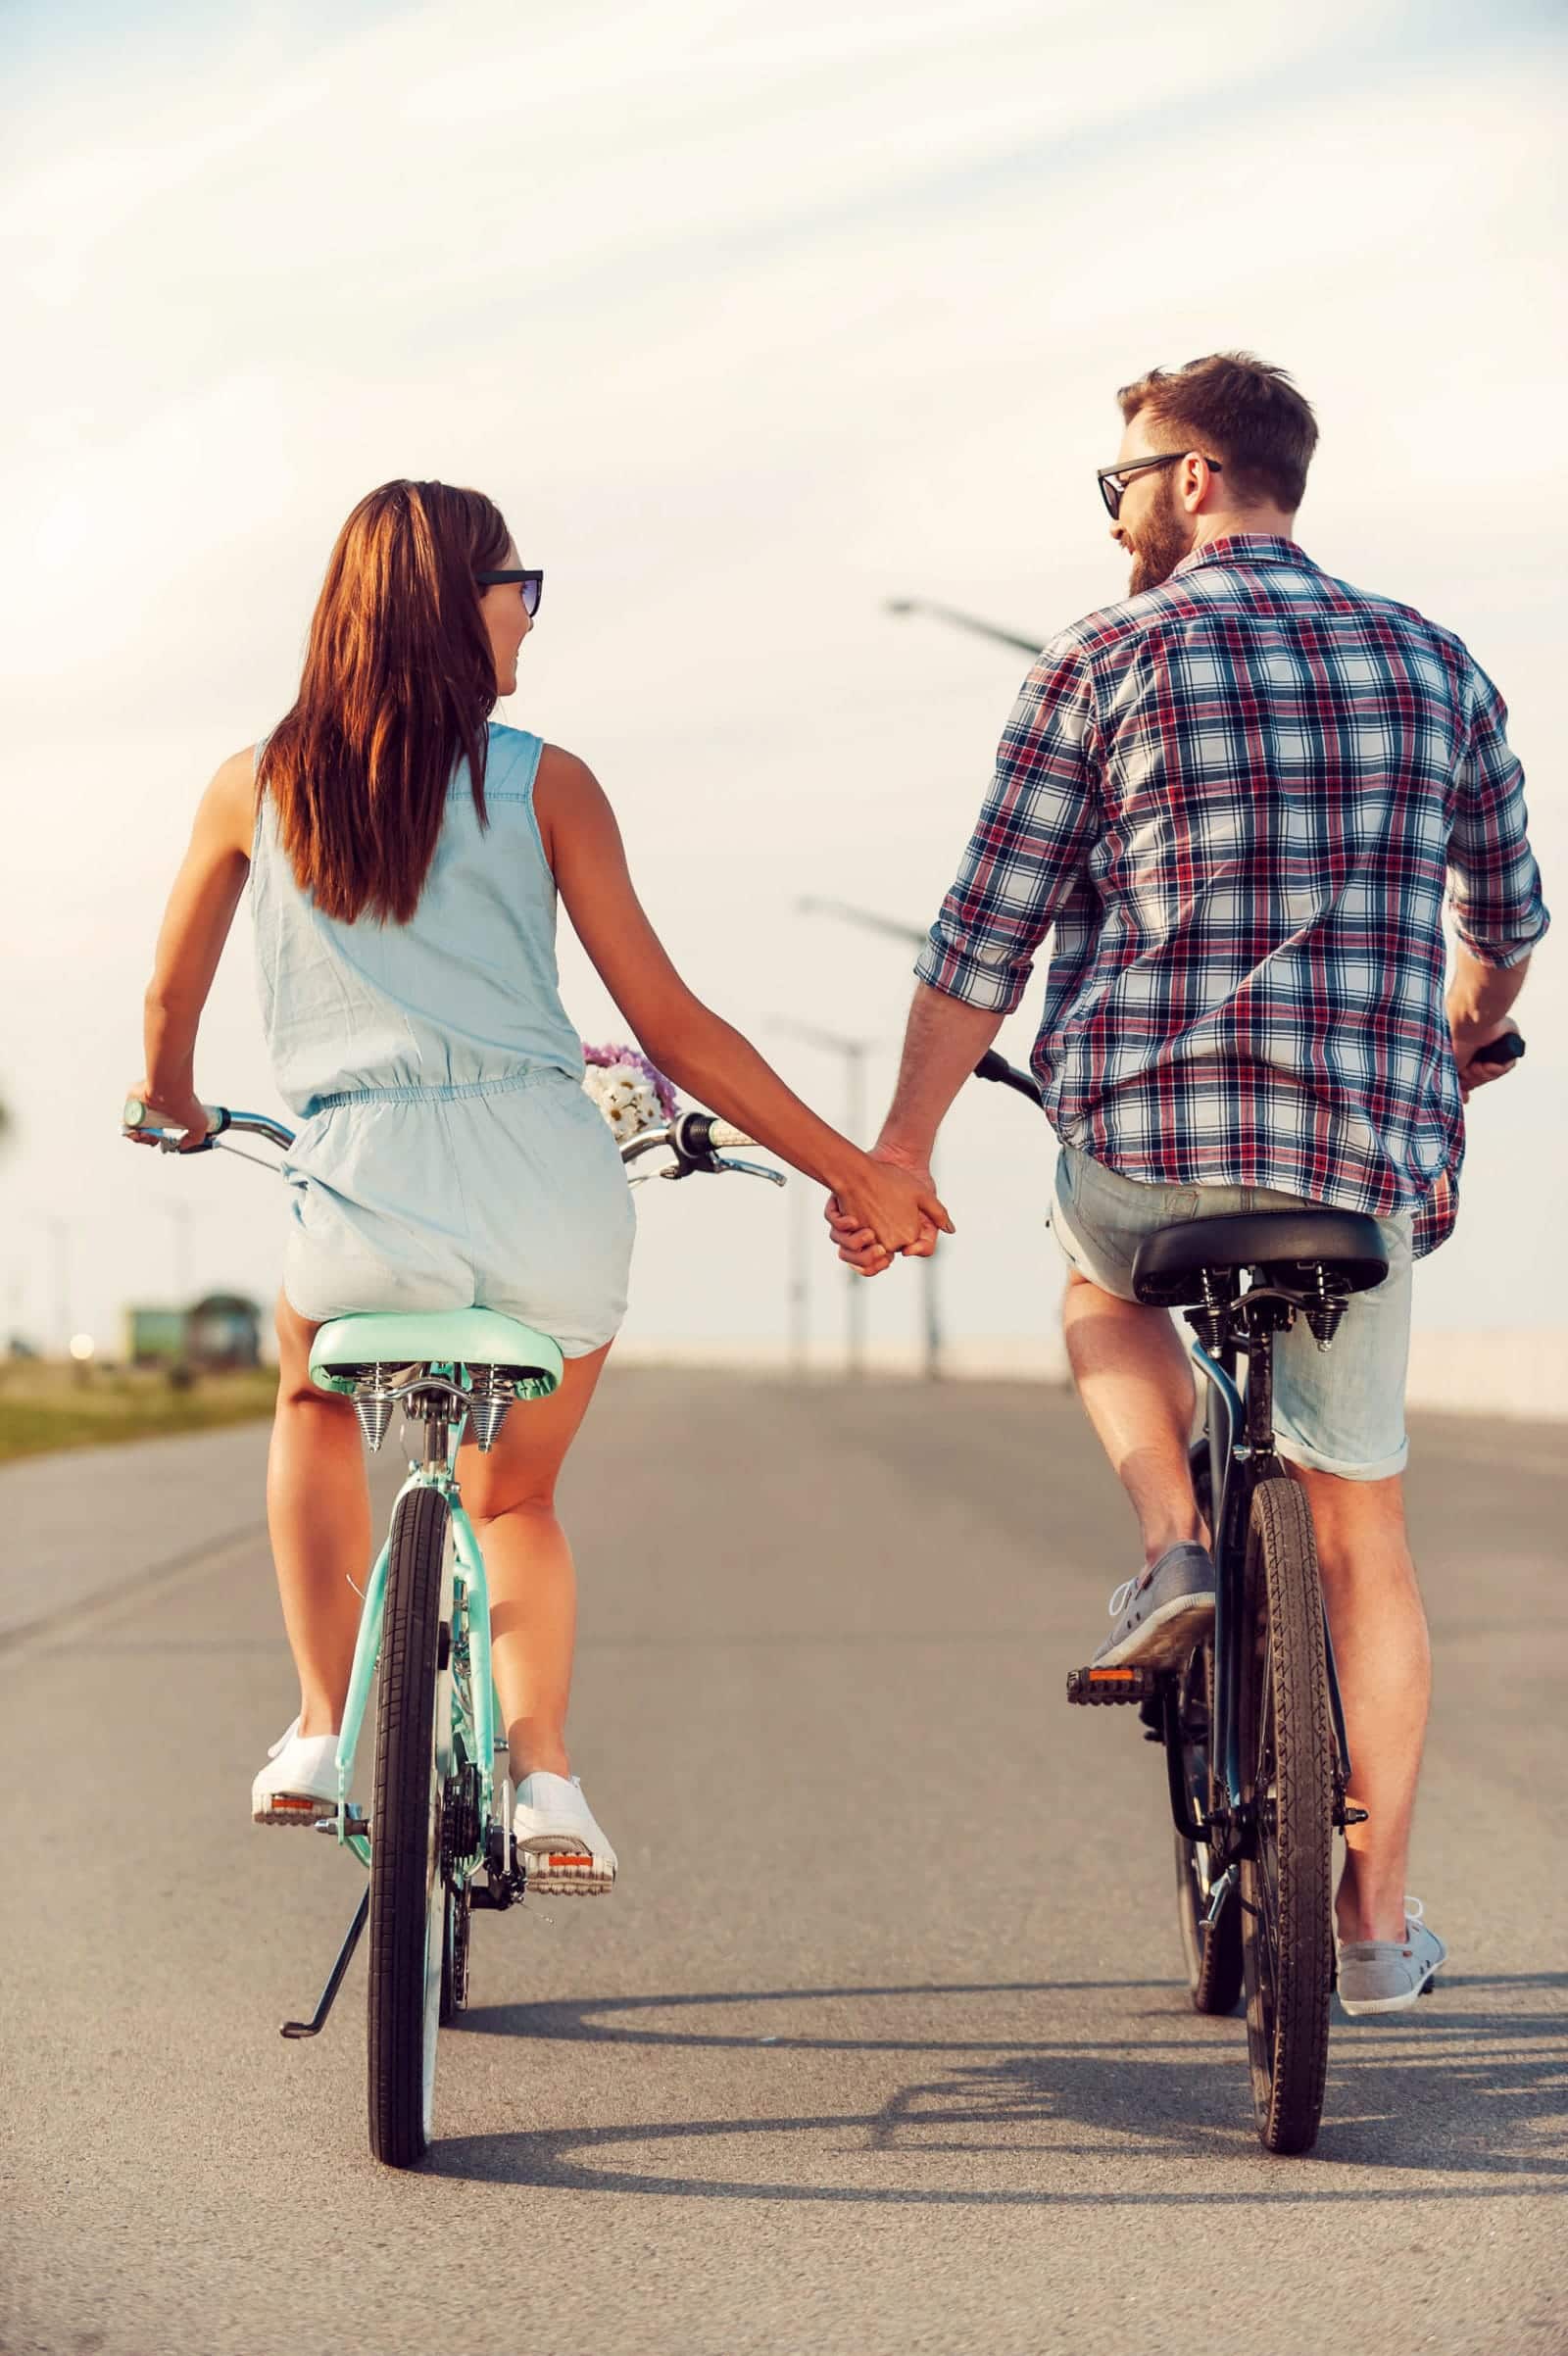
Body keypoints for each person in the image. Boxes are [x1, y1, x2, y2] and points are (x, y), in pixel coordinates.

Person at [827, 354, 1547, 2015]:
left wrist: (903, 1152)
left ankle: (1174, 1546)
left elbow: (981, 940)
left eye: (1125, 480)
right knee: (1363, 1519)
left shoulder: (1103, 661)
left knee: (1096, 1279)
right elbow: (1507, 925)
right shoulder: (1437, 663)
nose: (1118, 511)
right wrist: (1459, 1035)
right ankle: (1374, 1930)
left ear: (1201, 478)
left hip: (1149, 1150)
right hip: (1360, 1173)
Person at [131, 477, 951, 1884]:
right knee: (513, 1502)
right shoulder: (545, 780)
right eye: (523, 587)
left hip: (363, 1205)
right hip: (549, 1199)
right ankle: (548, 1779)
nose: (532, 614)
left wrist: (174, 1106)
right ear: (460, 606)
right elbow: (676, 1026)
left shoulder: (252, 786)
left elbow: (165, 1005)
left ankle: (326, 1727)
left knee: (311, 1397)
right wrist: (855, 1173)